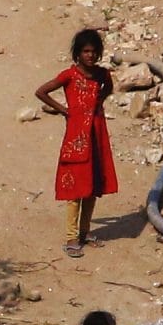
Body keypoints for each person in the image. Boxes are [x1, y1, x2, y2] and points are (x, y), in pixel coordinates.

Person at [36, 26, 118, 257]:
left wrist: (98, 103)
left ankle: (85, 231)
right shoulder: (69, 76)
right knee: (75, 189)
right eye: (85, 51)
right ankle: (71, 236)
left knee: (92, 187)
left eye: (93, 51)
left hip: (96, 134)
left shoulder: (102, 75)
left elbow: (109, 88)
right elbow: (41, 91)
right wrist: (65, 110)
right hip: (76, 136)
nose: (90, 55)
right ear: (78, 53)